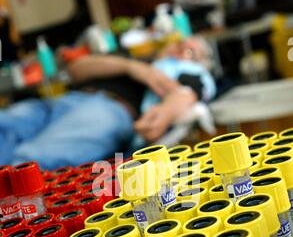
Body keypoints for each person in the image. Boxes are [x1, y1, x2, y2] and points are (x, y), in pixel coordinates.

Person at [2, 38, 215, 170]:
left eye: (189, 53)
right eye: (179, 45)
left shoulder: (188, 73)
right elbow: (76, 69)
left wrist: (164, 114)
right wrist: (133, 68)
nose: (178, 52)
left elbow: (187, 94)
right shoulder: (129, 58)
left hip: (111, 109)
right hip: (62, 100)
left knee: (29, 162)